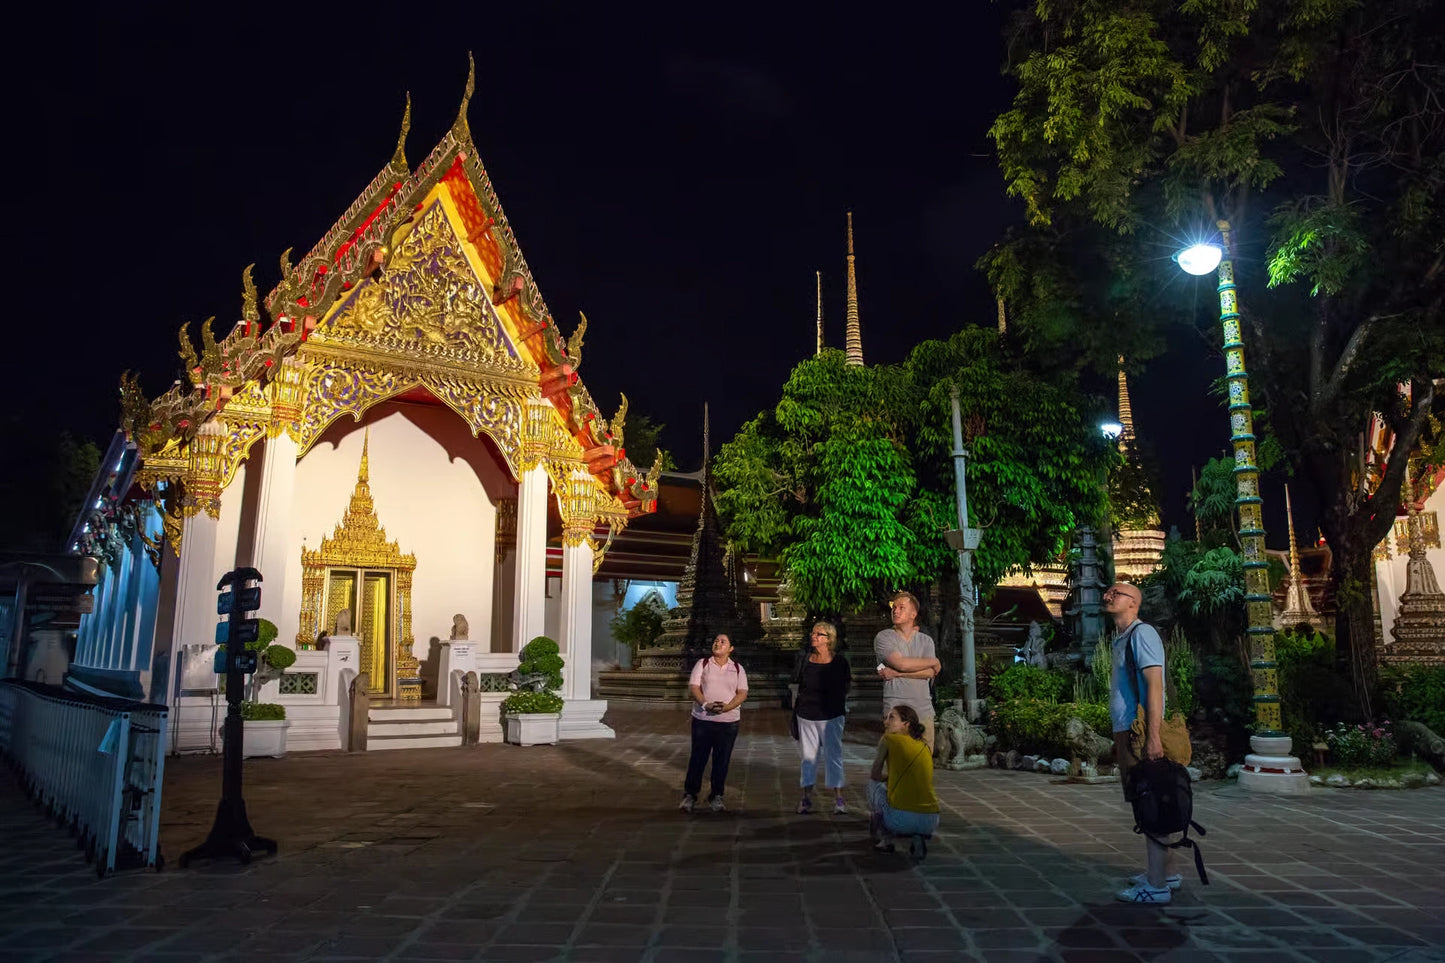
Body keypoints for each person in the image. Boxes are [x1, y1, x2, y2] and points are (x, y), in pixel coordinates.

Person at [1105, 581, 1179, 904]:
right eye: (1109, 591)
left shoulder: (1142, 634)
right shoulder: (1122, 639)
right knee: (1148, 801)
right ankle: (1165, 872)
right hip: (1128, 732)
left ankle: (1157, 884)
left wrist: (1152, 737)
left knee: (1151, 803)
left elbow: (1154, 686)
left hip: (1141, 733)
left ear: (1133, 603)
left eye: (1116, 593)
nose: (1108, 595)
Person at [680, 634, 748, 814]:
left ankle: (717, 795)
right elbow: (694, 687)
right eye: (716, 641)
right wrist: (705, 704)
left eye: (723, 641)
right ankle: (690, 794)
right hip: (703, 719)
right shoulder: (702, 664)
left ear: (731, 648)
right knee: (698, 757)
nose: (718, 643)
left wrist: (727, 708)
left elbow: (742, 693)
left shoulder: (738, 669)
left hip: (728, 721)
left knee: (722, 759)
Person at [867, 704, 940, 859]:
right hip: (931, 819)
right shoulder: (924, 746)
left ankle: (885, 840)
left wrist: (887, 779)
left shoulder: (888, 739)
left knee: (873, 786)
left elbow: (875, 774)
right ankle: (918, 837)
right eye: (885, 718)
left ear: (906, 724)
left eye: (891, 718)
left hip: (900, 820)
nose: (885, 722)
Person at [794, 621, 851, 815]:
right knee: (808, 758)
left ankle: (839, 799)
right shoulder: (805, 659)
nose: (813, 637)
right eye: (813, 633)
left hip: (831, 715)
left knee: (833, 756)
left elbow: (845, 686)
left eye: (818, 634)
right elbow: (800, 683)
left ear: (829, 639)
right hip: (807, 714)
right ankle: (805, 798)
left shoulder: (840, 662)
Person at [874, 591, 941, 751]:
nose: (895, 611)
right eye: (894, 607)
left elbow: (930, 673)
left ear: (913, 614)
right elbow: (901, 663)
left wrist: (897, 674)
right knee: (898, 761)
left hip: (923, 709)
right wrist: (934, 661)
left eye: (901, 607)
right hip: (896, 709)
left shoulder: (926, 641)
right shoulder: (884, 637)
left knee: (923, 761)